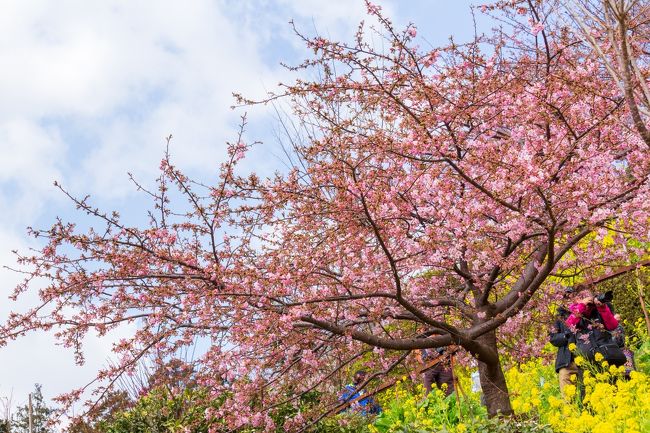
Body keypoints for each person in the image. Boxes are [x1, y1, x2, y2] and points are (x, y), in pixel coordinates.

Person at [549, 306, 579, 394]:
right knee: (567, 400)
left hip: (586, 362)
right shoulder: (559, 317)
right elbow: (553, 338)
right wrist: (566, 335)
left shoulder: (586, 313)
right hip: (567, 363)